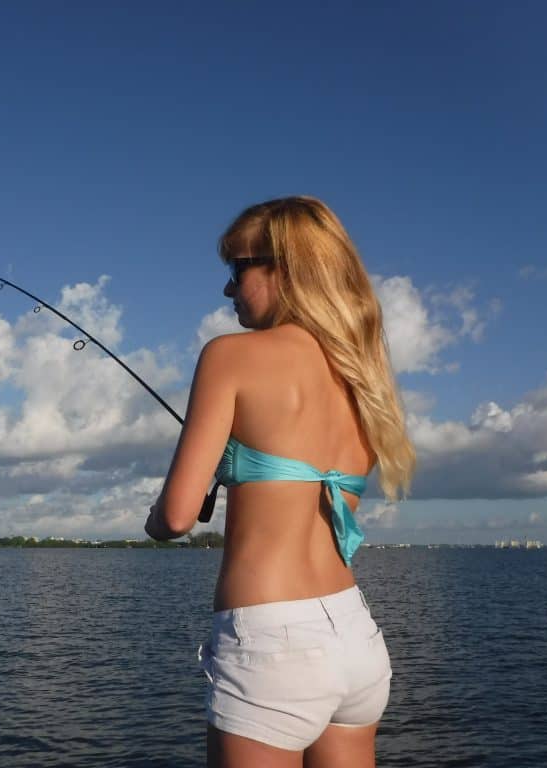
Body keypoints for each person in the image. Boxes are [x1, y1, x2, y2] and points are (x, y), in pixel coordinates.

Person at [145, 196, 416, 767]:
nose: (228, 290)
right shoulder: (363, 373)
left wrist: (155, 517)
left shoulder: (229, 355)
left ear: (286, 266)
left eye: (237, 269)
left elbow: (174, 517)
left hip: (272, 643)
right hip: (355, 637)